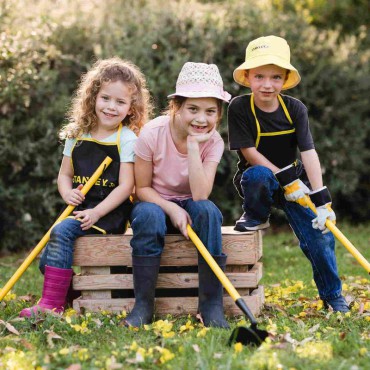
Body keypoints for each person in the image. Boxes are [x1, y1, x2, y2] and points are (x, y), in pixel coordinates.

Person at [20, 57, 152, 317]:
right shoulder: (77, 134)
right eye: (106, 98)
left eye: (120, 102)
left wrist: (98, 213)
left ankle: (51, 306)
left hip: (109, 213)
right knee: (47, 258)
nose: (111, 107)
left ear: (131, 108)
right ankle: (70, 296)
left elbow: (126, 186)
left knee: (63, 231)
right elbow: (64, 175)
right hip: (80, 208)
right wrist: (66, 192)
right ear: (93, 97)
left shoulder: (125, 139)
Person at [227, 35, 349, 312]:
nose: (267, 84)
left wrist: (321, 200)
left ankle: (333, 297)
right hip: (261, 180)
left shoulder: (295, 109)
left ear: (284, 78)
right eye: (259, 76)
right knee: (257, 175)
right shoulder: (239, 107)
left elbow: (308, 152)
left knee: (320, 237)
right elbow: (248, 151)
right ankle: (257, 216)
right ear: (247, 76)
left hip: (297, 181)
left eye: (275, 77)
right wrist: (284, 180)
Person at [121, 62, 231, 328]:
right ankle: (143, 306)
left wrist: (194, 146)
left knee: (208, 212)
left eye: (210, 112)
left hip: (192, 202)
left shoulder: (213, 141)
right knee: (147, 215)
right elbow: (141, 188)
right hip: (154, 202)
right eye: (193, 109)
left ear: (218, 114)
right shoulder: (152, 133)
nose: (201, 119)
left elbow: (201, 194)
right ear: (176, 107)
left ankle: (211, 306)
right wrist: (171, 208)